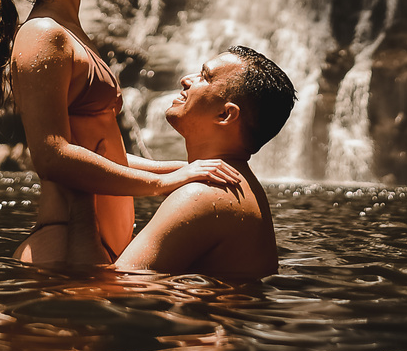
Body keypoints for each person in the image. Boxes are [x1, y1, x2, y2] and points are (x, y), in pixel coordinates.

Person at [0, 0, 242, 265]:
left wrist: (180, 169)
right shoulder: (42, 34)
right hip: (67, 244)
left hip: (94, 245)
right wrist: (162, 185)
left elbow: (103, 152)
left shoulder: (70, 32)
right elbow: (52, 156)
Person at [110, 46, 294, 279]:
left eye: (204, 77)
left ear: (225, 115)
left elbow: (121, 284)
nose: (185, 80)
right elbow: (109, 160)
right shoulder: (235, 183)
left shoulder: (201, 195)